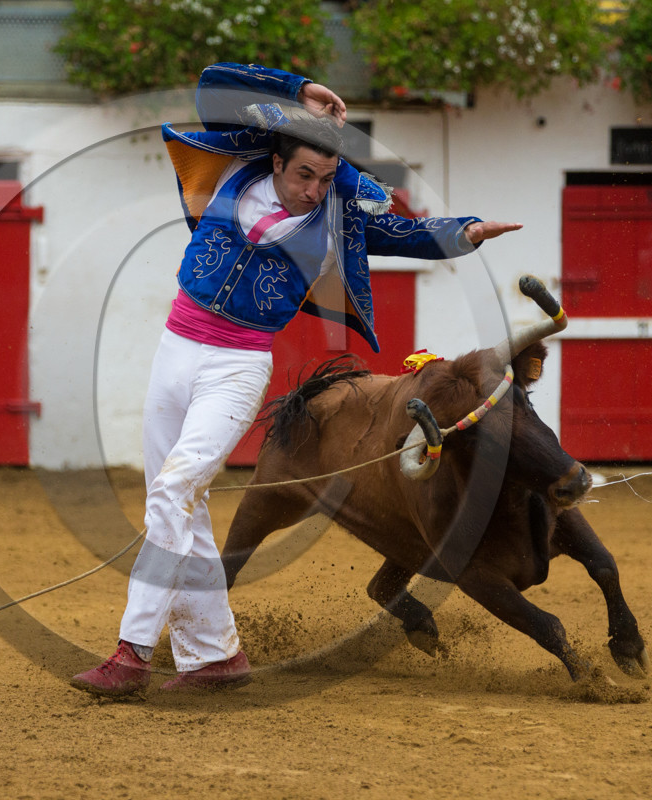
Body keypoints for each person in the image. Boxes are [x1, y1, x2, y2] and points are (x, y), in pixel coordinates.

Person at [70, 62, 521, 697]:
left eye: (327, 177)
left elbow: (406, 233)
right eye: (305, 174)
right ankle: (215, 658)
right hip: (174, 350)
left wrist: (464, 232)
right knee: (181, 505)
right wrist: (295, 90)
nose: (314, 189)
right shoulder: (237, 163)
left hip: (236, 365)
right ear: (278, 161)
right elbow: (211, 83)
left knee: (173, 493)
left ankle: (131, 654)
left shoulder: (338, 214)